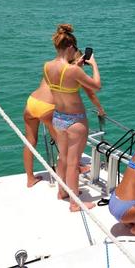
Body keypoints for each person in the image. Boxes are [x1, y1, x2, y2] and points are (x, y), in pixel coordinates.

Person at [22, 50, 105, 188]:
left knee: (30, 141)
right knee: (65, 147)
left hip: (32, 101)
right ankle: (77, 169)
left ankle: (30, 178)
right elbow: (91, 92)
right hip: (47, 107)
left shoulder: (53, 68)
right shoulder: (72, 72)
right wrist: (101, 109)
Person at [44, 24, 100, 212]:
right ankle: (75, 203)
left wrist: (75, 66)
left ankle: (63, 192)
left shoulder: (47, 66)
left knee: (63, 158)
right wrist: (94, 65)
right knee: (73, 162)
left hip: (58, 118)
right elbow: (96, 86)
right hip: (75, 120)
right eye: (75, 49)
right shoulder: (74, 70)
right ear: (70, 47)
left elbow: (63, 77)